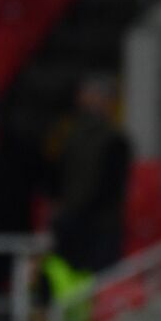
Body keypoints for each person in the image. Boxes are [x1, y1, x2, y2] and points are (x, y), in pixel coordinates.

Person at [51, 76, 131, 274]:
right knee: (64, 279)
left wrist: (78, 211)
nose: (85, 99)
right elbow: (60, 176)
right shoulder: (71, 135)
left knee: (99, 283)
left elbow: (112, 187)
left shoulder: (115, 140)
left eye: (92, 95)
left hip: (99, 226)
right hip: (71, 223)